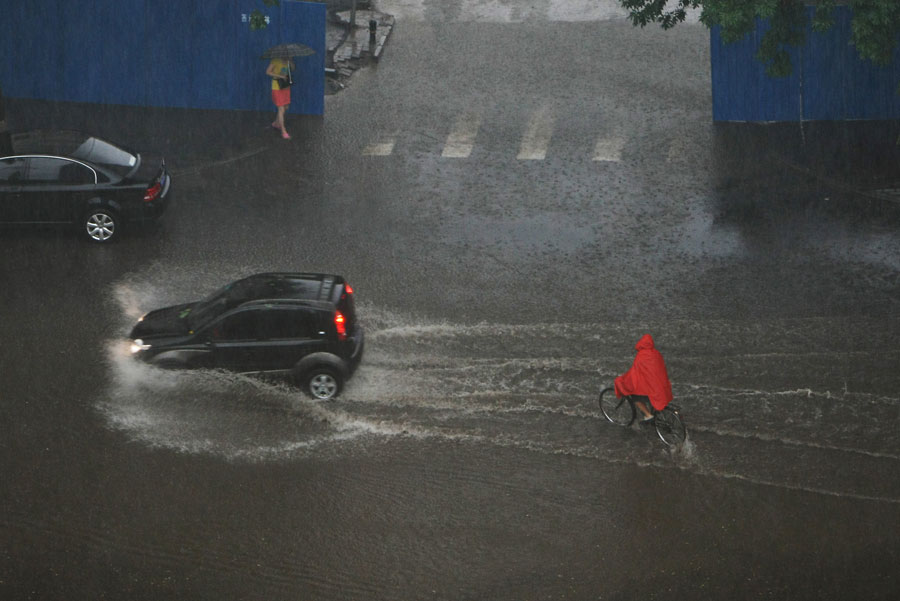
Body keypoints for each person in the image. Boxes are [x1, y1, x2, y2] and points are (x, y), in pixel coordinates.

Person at [614, 334, 673, 422]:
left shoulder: (641, 356)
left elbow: (635, 373)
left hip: (651, 389)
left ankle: (648, 415)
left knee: (635, 398)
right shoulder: (656, 354)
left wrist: (623, 380)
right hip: (661, 387)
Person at [266, 57, 295, 139]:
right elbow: (268, 72)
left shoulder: (288, 61)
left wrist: (291, 62)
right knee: (281, 108)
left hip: (285, 86)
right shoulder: (275, 60)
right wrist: (280, 76)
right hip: (277, 87)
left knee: (286, 107)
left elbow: (293, 69)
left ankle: (276, 123)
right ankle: (283, 130)